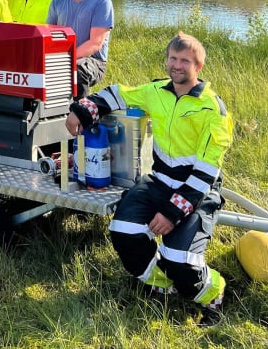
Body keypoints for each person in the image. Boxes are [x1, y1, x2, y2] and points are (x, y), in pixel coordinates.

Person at [65, 32, 233, 324]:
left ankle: (213, 295)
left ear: (198, 67)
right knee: (123, 232)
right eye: (173, 59)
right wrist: (82, 111)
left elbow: (206, 173)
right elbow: (117, 93)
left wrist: (171, 213)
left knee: (181, 261)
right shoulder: (156, 90)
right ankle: (161, 285)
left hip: (198, 192)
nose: (177, 66)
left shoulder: (213, 109)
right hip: (159, 181)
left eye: (185, 61)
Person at [46, 0, 113, 98]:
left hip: (93, 61)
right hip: (62, 57)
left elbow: (95, 43)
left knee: (77, 69)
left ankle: (80, 114)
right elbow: (49, 35)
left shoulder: (102, 2)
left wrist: (67, 60)